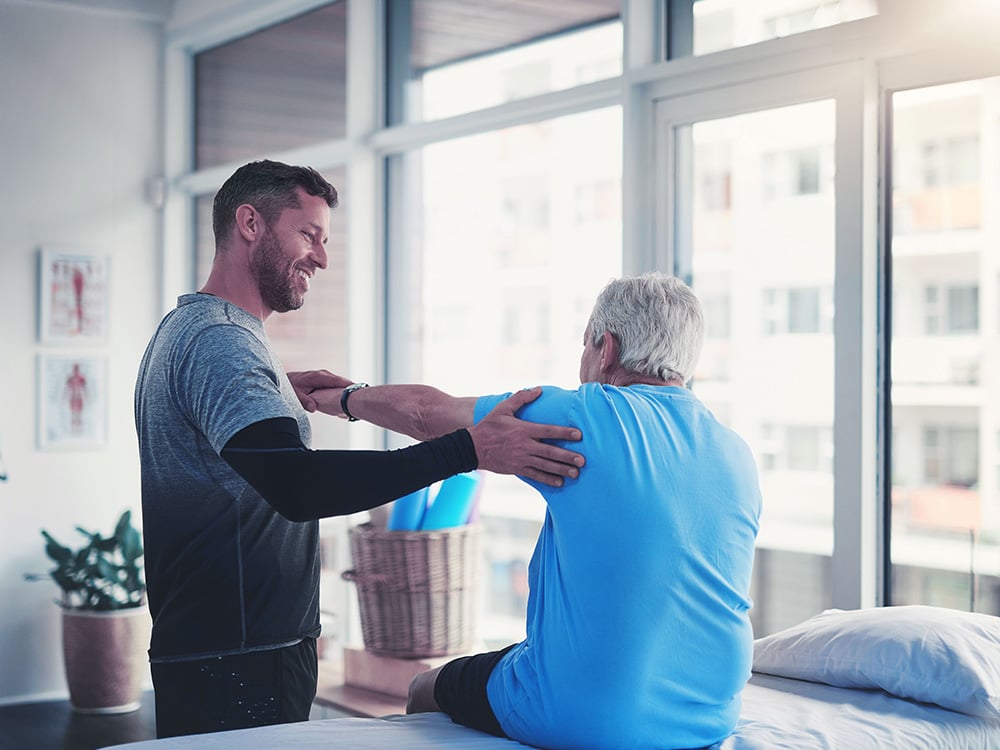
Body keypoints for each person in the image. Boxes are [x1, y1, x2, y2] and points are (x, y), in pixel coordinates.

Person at [133, 159, 584, 739]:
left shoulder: (189, 330)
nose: (322, 258)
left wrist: (279, 399)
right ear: (249, 223)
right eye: (308, 234)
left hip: (220, 647)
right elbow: (299, 487)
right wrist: (466, 449)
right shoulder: (221, 341)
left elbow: (235, 461)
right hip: (240, 656)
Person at [307, 272, 762, 750]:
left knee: (424, 686)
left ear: (606, 348)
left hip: (583, 716)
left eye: (585, 345)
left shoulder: (582, 417)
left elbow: (428, 413)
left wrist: (341, 397)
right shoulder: (736, 453)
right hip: (712, 717)